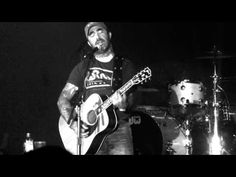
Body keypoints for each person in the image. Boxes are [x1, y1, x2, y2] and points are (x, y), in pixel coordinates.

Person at [57, 22, 137, 155]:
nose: (97, 36)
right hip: (89, 133)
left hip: (119, 129)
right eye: (92, 34)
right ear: (89, 43)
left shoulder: (125, 65)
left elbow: (132, 100)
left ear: (109, 35)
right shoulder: (83, 66)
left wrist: (124, 105)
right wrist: (73, 123)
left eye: (100, 31)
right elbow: (62, 100)